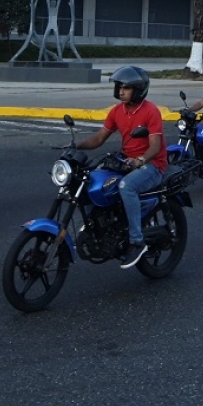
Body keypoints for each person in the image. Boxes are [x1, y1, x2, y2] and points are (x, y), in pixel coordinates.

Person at [74, 66, 166, 269]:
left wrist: (140, 160)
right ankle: (97, 227)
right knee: (91, 180)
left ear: (138, 89)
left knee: (126, 187)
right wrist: (76, 145)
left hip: (152, 165)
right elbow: (99, 138)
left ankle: (136, 241)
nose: (121, 91)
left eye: (126, 88)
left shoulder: (151, 111)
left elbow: (155, 147)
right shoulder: (117, 111)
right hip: (126, 161)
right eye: (119, 87)